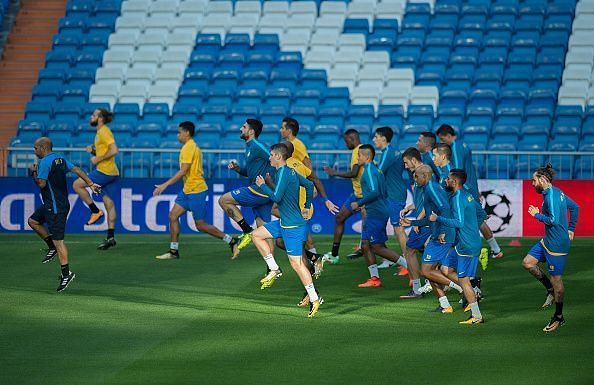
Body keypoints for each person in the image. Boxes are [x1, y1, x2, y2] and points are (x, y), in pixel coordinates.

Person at [251, 143, 322, 318]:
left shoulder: (283, 172)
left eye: (271, 155)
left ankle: (314, 298)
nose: (269, 158)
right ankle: (274, 268)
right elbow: (309, 184)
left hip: (293, 227)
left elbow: (276, 197)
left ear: (278, 156)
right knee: (256, 234)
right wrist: (306, 206)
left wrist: (262, 185)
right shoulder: (289, 171)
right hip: (285, 223)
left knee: (297, 264)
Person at [153, 121, 240, 260]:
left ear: (187, 133)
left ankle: (232, 241)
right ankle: (173, 251)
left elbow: (183, 171)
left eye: (179, 132)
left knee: (200, 226)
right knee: (173, 216)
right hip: (187, 190)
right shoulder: (190, 146)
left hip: (196, 190)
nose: (178, 135)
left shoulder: (189, 147)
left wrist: (165, 185)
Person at [28, 137, 101, 291]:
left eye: (35, 148)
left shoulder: (44, 163)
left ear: (42, 147)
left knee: (59, 241)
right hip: (55, 205)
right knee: (33, 221)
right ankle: (51, 246)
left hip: (55, 207)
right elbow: (77, 170)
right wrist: (90, 183)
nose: (34, 151)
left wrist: (33, 173)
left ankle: (66, 274)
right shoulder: (60, 158)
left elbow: (41, 183)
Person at [522, 164, 579, 332]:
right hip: (547, 241)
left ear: (542, 179)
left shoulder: (552, 196)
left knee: (557, 281)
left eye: (534, 180)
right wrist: (571, 228)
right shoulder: (555, 192)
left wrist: (536, 215)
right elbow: (575, 207)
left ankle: (559, 317)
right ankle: (549, 290)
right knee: (527, 263)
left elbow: (553, 220)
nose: (532, 183)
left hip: (557, 246)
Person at [436, 124, 503, 260]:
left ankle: (486, 250)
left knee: (473, 221)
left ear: (449, 136)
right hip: (470, 186)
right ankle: (495, 249)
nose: (442, 143)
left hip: (464, 188)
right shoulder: (464, 145)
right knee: (477, 220)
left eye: (443, 139)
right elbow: (470, 169)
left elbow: (458, 172)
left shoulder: (455, 148)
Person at [400, 165, 463, 306]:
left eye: (416, 176)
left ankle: (463, 287)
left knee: (428, 270)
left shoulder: (432, 188)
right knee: (431, 271)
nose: (414, 179)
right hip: (437, 234)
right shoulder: (428, 188)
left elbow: (444, 208)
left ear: (425, 175)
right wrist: (412, 222)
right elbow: (430, 217)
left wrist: (443, 231)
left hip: (442, 235)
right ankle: (445, 305)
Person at [429, 169, 485, 325]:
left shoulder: (457, 198)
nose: (445, 181)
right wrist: (472, 229)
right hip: (463, 244)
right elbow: (482, 213)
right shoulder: (467, 195)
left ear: (454, 181)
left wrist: (437, 218)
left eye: (447, 179)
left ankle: (477, 315)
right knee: (445, 269)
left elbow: (459, 222)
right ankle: (472, 292)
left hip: (467, 246)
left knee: (464, 279)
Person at [350, 144, 408, 288]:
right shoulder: (375, 170)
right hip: (377, 210)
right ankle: (374, 278)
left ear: (367, 157)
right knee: (366, 245)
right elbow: (382, 192)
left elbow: (375, 192)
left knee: (376, 247)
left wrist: (359, 203)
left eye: (359, 156)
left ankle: (409, 265)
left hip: (375, 213)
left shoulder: (369, 171)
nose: (357, 159)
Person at [218, 119, 275, 251]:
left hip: (259, 190)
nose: (240, 129)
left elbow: (276, 159)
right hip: (264, 192)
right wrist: (238, 169)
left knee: (223, 200)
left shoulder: (257, 145)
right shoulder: (249, 147)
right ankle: (272, 268)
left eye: (243, 127)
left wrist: (273, 182)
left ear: (251, 131)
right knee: (264, 229)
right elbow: (250, 173)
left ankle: (247, 230)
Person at [72, 108, 119, 250]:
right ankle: (110, 238)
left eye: (93, 115)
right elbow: (106, 150)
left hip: (104, 172)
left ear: (100, 118)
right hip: (111, 172)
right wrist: (93, 151)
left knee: (77, 185)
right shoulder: (100, 132)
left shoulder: (104, 131)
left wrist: (98, 157)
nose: (91, 117)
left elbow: (114, 150)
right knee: (109, 203)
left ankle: (94, 211)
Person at [322, 128, 364, 264]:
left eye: (346, 141)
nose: (345, 144)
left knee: (369, 228)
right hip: (356, 194)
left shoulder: (360, 150)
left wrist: (334, 173)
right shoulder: (355, 151)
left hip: (365, 196)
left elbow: (354, 173)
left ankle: (394, 260)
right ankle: (334, 255)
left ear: (352, 138)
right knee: (340, 218)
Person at [372, 126, 409, 276]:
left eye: (376, 136)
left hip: (394, 194)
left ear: (383, 138)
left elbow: (379, 173)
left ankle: (408, 263)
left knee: (398, 229)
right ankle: (390, 258)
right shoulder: (391, 151)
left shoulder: (388, 152)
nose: (374, 139)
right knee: (393, 227)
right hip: (393, 193)